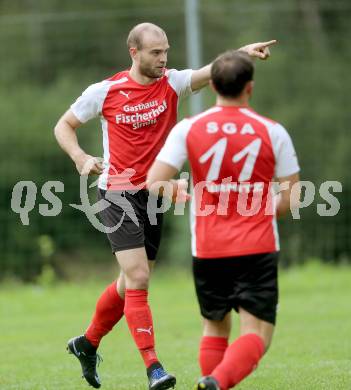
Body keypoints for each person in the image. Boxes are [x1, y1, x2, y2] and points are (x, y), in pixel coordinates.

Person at [54, 22, 276, 390]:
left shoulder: (171, 83)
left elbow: (211, 72)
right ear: (134, 53)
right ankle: (154, 367)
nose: (163, 59)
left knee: (129, 282)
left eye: (166, 51)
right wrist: (79, 157)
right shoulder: (105, 91)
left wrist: (244, 52)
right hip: (116, 192)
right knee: (139, 277)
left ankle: (87, 343)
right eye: (156, 53)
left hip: (155, 194)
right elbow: (64, 125)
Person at [147, 50, 300, 389]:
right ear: (250, 88)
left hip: (209, 247)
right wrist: (261, 212)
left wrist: (175, 191)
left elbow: (154, 180)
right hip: (256, 246)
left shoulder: (188, 129)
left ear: (213, 84)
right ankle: (215, 382)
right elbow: (291, 199)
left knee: (214, 326)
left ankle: (212, 380)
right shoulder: (273, 132)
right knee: (259, 334)